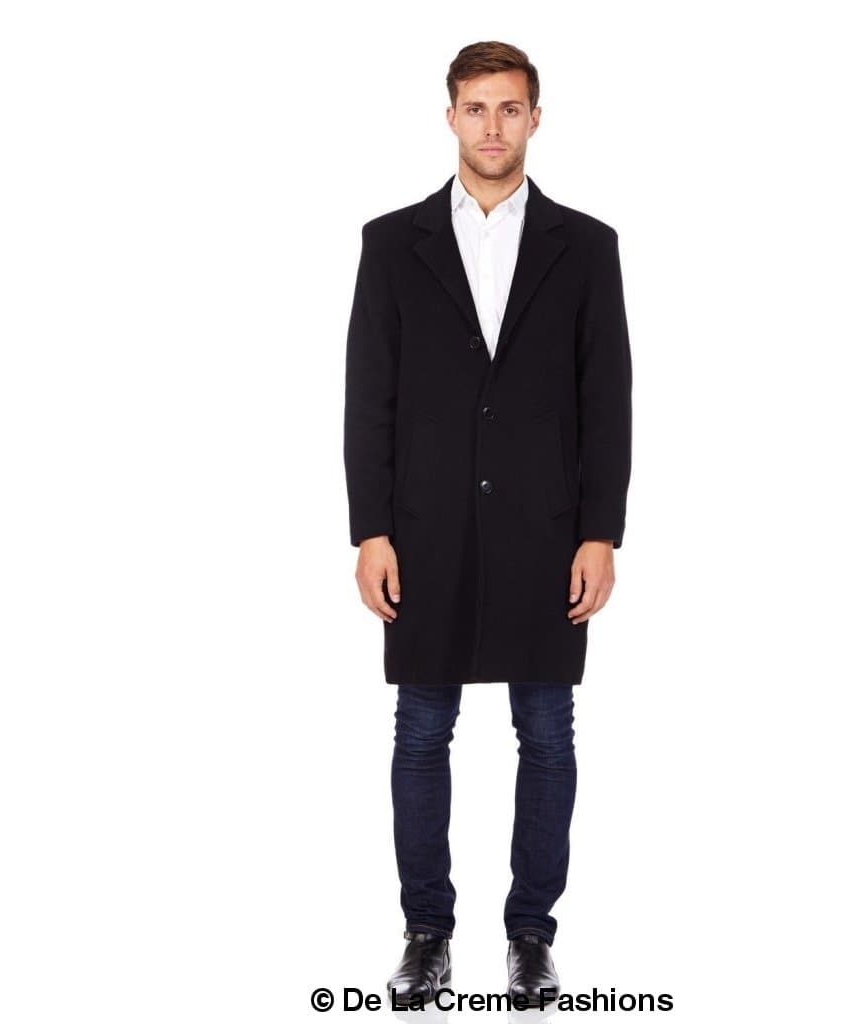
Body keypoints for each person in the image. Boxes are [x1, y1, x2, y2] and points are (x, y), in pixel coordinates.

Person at [343, 40, 633, 1007]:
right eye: (477, 108)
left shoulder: (586, 246)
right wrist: (370, 529)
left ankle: (531, 937)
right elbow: (369, 396)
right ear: (451, 117)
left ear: (536, 118)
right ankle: (427, 934)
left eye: (511, 108)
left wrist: (601, 531)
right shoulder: (393, 243)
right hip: (423, 530)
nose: (493, 126)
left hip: (546, 533)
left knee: (546, 735)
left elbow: (609, 399)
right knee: (420, 732)